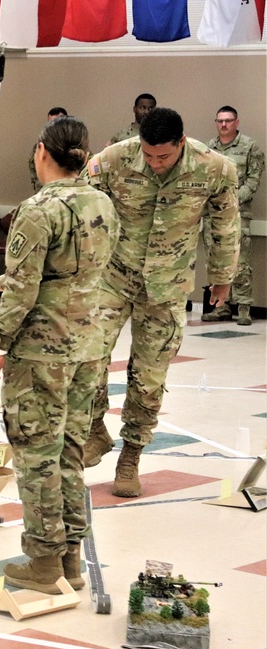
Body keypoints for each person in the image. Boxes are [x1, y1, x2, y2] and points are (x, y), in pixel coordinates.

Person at [0, 117, 115, 595]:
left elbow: (28, 290)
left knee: (36, 454)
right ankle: (71, 558)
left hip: (41, 351)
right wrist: (1, 282)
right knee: (70, 454)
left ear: (41, 153)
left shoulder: (37, 209)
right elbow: (68, 278)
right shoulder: (103, 203)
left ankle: (43, 563)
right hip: (90, 346)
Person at [84, 108, 241, 497]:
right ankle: (93, 430)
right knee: (85, 356)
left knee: (149, 376)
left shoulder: (215, 169)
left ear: (182, 143)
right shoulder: (112, 161)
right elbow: (83, 213)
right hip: (113, 278)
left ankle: (131, 454)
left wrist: (222, 279)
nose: (155, 163)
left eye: (164, 157)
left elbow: (225, 224)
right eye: (149, 155)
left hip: (167, 287)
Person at [201, 105, 264, 326]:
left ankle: (244, 308)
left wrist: (232, 202)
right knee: (215, 261)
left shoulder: (250, 147)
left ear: (236, 122)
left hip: (238, 214)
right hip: (213, 215)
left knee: (241, 263)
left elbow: (253, 181)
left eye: (228, 120)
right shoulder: (209, 148)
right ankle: (221, 307)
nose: (224, 124)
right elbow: (204, 180)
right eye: (220, 121)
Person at [29, 107, 67, 192]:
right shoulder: (40, 147)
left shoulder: (76, 145)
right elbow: (34, 172)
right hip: (47, 194)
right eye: (51, 123)